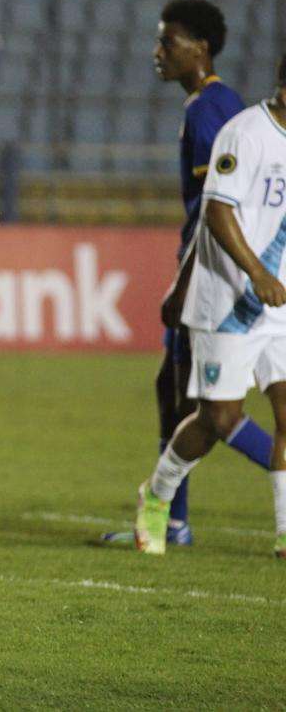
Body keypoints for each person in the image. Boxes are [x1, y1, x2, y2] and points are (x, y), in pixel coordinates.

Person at [103, 0, 273, 546]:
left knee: (204, 408)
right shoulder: (224, 105)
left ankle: (170, 517)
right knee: (177, 394)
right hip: (232, 274)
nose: (158, 53)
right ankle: (172, 519)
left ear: (200, 46)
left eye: (168, 42)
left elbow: (214, 209)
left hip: (216, 279)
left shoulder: (209, 112)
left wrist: (184, 284)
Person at [134, 54, 286, 557]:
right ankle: (156, 496)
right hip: (228, 299)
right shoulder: (244, 135)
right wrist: (258, 273)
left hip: (279, 303)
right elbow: (217, 214)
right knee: (218, 420)